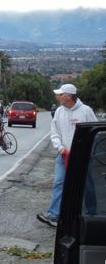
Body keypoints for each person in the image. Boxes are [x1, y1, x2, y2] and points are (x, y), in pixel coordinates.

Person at [37, 84, 98, 227]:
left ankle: (92, 213)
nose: (57, 96)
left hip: (82, 156)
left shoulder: (85, 111)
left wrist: (86, 148)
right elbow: (55, 132)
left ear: (69, 96)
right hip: (63, 154)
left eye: (60, 94)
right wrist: (59, 147)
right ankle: (53, 215)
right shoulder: (59, 111)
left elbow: (94, 131)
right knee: (59, 183)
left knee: (86, 184)